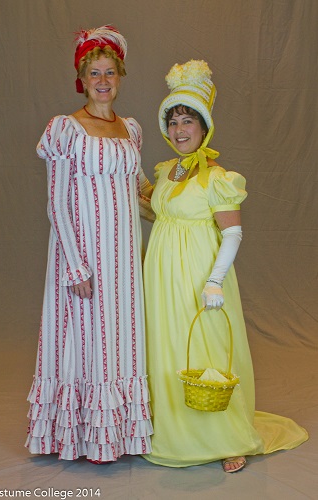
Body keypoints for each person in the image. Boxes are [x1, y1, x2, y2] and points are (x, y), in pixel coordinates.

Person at [142, 59, 308, 471]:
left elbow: (232, 233)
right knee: (167, 347)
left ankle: (226, 438)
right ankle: (172, 430)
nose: (180, 130)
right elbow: (159, 214)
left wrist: (214, 280)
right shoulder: (166, 172)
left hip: (199, 272)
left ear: (204, 128)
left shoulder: (216, 176)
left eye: (188, 121)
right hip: (161, 274)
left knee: (208, 348)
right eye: (174, 121)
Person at [25, 24, 154, 462]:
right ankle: (78, 438)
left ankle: (118, 434)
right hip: (84, 258)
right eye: (95, 73)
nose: (103, 80)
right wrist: (76, 266)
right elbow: (56, 204)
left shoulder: (131, 130)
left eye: (110, 73)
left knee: (121, 342)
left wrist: (183, 203)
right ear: (83, 78)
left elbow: (140, 194)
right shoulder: (66, 129)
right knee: (84, 343)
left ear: (120, 77)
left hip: (124, 262)